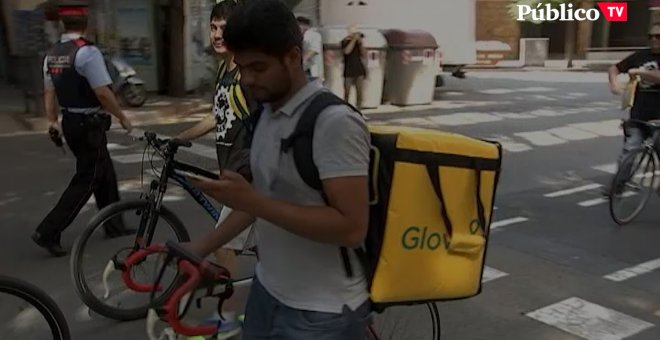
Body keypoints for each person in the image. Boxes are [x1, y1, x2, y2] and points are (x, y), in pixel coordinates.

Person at [186, 0, 372, 338]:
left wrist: (253, 202)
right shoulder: (268, 112)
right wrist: (200, 246)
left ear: (293, 56)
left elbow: (351, 227)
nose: (247, 79)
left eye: (258, 67)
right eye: (242, 67)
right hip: (268, 290)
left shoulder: (334, 123)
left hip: (323, 312)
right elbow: (262, 193)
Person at [172, 1, 255, 336]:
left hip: (248, 178)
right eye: (214, 27)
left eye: (224, 28)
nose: (218, 34)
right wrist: (177, 139)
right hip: (234, 175)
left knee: (224, 246)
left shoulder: (246, 74)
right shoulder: (224, 71)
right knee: (269, 252)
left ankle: (230, 320)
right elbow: (216, 117)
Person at [32, 2, 134, 257]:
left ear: (63, 25)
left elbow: (49, 91)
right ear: (86, 23)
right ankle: (48, 230)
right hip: (89, 125)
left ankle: (114, 224)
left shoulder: (53, 53)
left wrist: (52, 121)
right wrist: (122, 117)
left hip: (70, 122)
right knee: (89, 177)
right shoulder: (87, 52)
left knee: (104, 172)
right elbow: (102, 92)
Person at [605, 22, 660, 194]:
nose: (654, 40)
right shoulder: (640, 56)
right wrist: (614, 83)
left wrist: (639, 73)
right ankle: (618, 185)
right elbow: (615, 68)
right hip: (639, 115)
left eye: (658, 36)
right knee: (629, 150)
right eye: (650, 36)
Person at [341, 25, 367, 109]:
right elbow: (347, 51)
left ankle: (359, 110)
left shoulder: (359, 43)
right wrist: (354, 39)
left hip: (359, 70)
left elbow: (364, 54)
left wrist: (360, 43)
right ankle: (346, 109)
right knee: (347, 93)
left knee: (360, 93)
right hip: (348, 71)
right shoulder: (345, 41)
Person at [296, 14, 324, 82]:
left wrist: (299, 62)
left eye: (301, 25)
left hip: (312, 72)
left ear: (307, 27)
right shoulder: (296, 36)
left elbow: (312, 51)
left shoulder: (314, 36)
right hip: (301, 71)